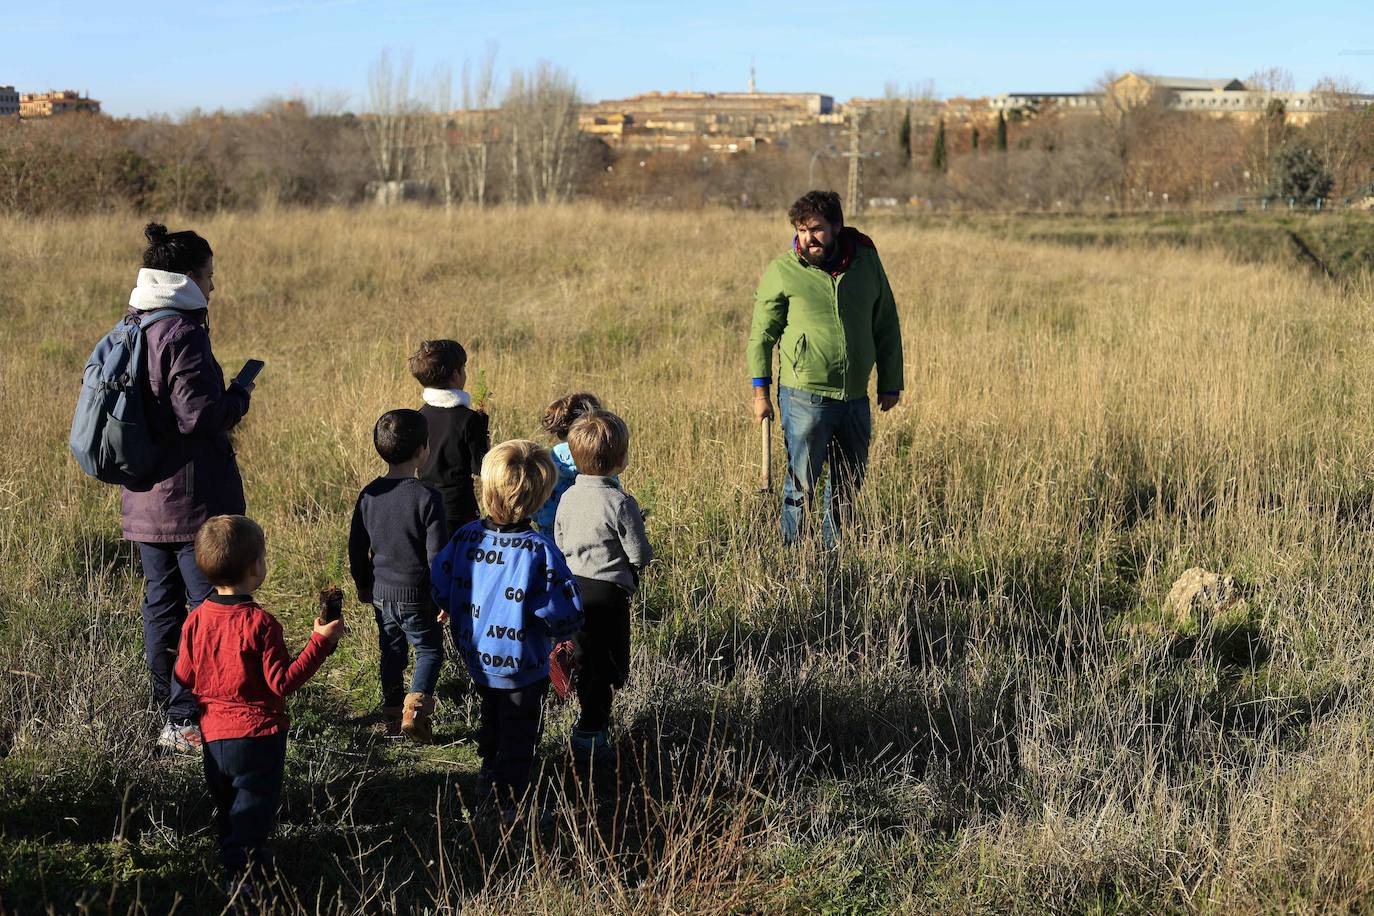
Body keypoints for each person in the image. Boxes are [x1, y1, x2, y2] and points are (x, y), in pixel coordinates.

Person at [122, 222, 253, 753]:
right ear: (189, 277)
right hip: (192, 501)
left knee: (160, 606)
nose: (214, 286)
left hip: (144, 498)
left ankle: (170, 715)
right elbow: (199, 415)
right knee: (209, 608)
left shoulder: (133, 325)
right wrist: (239, 395)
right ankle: (200, 716)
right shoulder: (182, 333)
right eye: (209, 275)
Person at [174, 515, 342, 897]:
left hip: (213, 738)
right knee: (254, 810)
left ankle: (241, 861)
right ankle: (243, 879)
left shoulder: (195, 620)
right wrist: (321, 642)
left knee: (229, 808)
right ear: (255, 568)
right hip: (258, 738)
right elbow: (282, 681)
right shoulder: (260, 623)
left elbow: (183, 675)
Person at [431, 440, 583, 814]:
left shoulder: (465, 537)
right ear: (540, 496)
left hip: (477, 657)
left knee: (491, 717)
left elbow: (439, 581)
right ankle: (507, 803)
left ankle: (488, 771)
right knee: (520, 733)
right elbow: (564, 612)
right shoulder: (540, 551)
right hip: (523, 667)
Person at [746, 191, 904, 545]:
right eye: (801, 230)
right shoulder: (783, 270)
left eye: (816, 229)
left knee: (849, 482)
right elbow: (760, 336)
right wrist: (761, 393)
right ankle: (794, 557)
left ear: (837, 227)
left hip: (855, 398)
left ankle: (836, 553)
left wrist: (891, 382)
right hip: (804, 396)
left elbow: (886, 322)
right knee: (801, 484)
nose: (808, 238)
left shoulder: (866, 263)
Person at [553, 410, 651, 765]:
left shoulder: (567, 498)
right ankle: (590, 737)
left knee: (584, 654)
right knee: (608, 668)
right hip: (609, 595)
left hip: (572, 589)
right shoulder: (621, 503)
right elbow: (638, 553)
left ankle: (567, 669)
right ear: (621, 460)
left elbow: (559, 540)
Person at [348, 409, 449, 742]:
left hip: (380, 592)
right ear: (423, 449)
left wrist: (363, 584)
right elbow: (436, 556)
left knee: (391, 651)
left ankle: (392, 713)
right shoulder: (428, 497)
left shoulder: (369, 495)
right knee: (429, 650)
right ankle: (415, 711)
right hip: (417, 594)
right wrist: (443, 595)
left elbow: (356, 547)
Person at [411, 339, 489, 534]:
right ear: (456, 375)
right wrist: (484, 440)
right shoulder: (469, 419)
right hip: (459, 507)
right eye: (463, 368)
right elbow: (480, 467)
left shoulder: (419, 415)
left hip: (424, 503)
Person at [533, 392, 606, 532]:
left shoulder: (548, 458)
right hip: (588, 538)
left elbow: (535, 502)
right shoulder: (601, 459)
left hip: (549, 536)